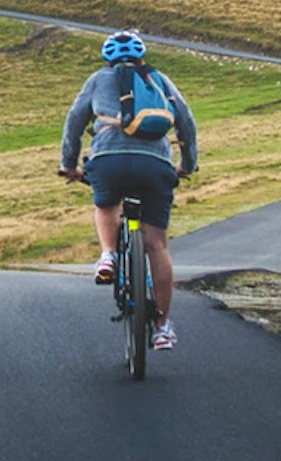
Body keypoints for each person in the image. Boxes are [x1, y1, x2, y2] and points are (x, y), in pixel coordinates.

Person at [59, 30, 198, 351]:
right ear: (142, 56)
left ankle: (108, 255)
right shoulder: (160, 80)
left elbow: (74, 122)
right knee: (157, 246)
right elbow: (186, 123)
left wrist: (69, 165)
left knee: (106, 203)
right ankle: (162, 327)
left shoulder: (98, 79)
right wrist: (187, 166)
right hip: (156, 165)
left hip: (109, 160)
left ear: (107, 59)